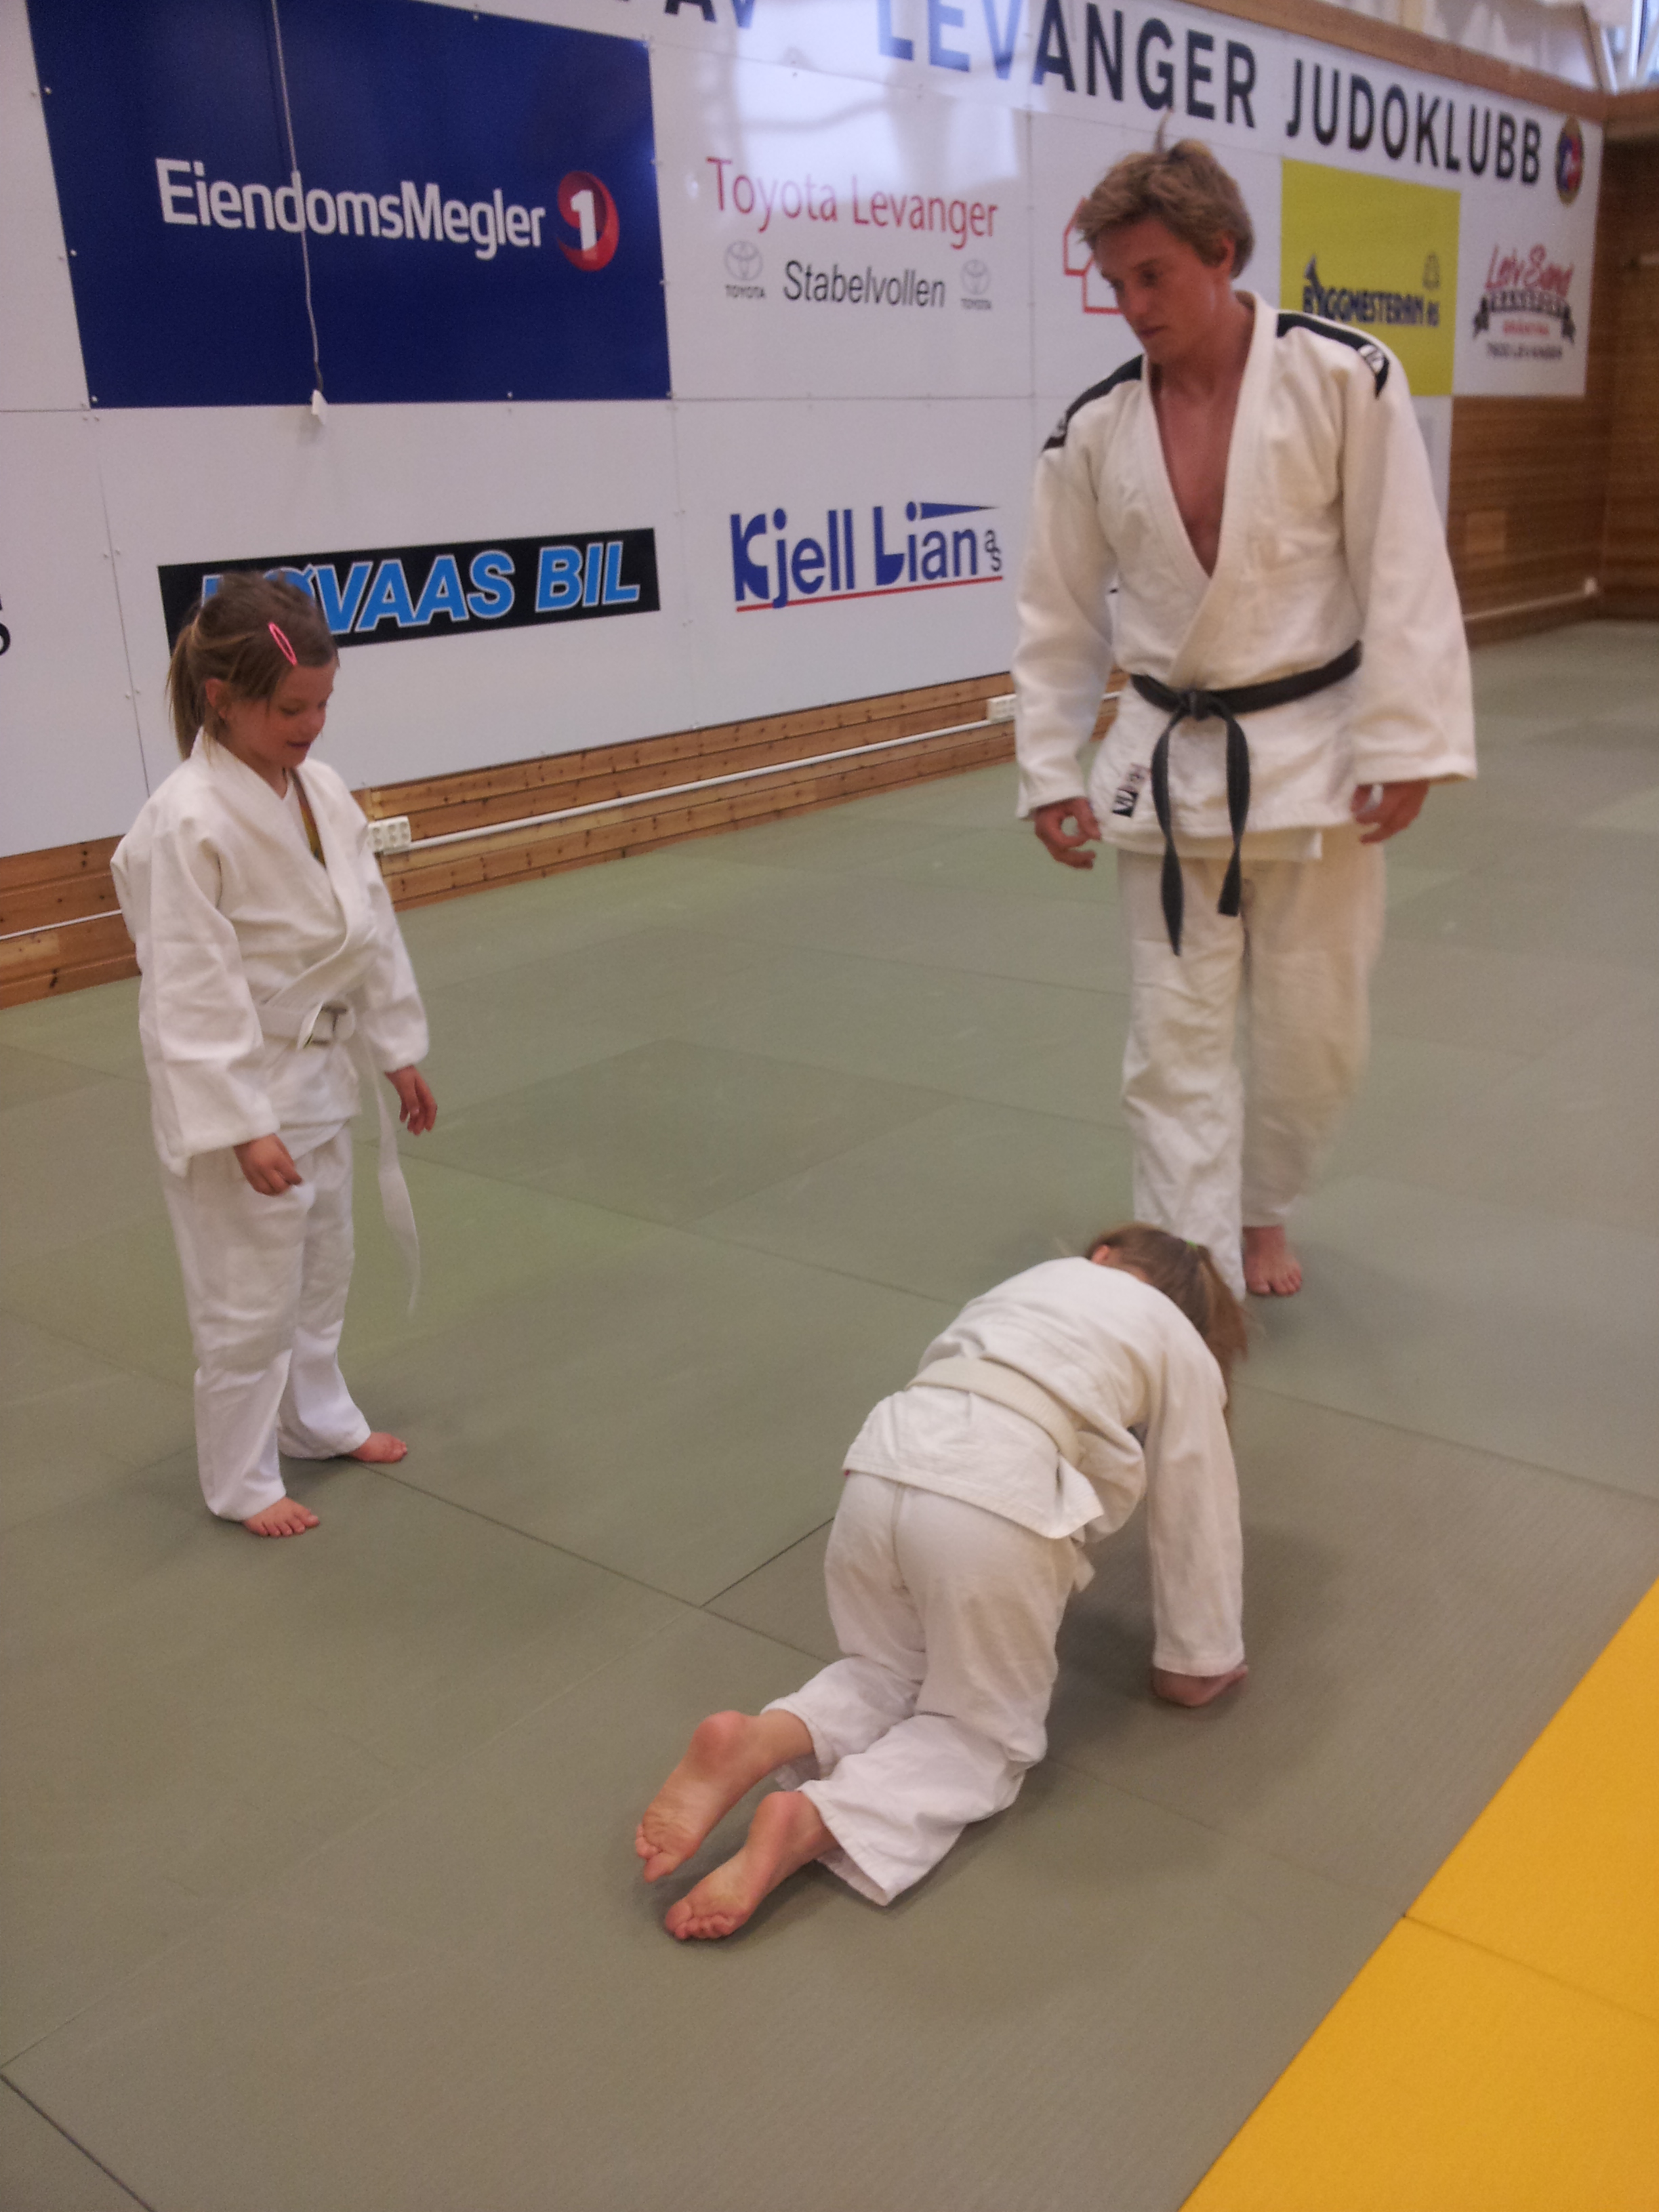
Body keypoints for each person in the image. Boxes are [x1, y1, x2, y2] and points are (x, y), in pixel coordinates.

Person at [1012, 141, 1475, 1300]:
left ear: (1221, 253)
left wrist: (1407, 741)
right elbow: (1057, 610)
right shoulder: (1093, 428)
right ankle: (1194, 1274)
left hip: (1317, 756)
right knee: (1171, 1044)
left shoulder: (1344, 377)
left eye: (1153, 275)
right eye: (1115, 283)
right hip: (1168, 767)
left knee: (1316, 1038)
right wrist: (1048, 765)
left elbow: (1402, 567)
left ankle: (1263, 1205)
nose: (1132, 306)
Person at [636, 1225, 1248, 1940]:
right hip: (997, 1496)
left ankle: (764, 1737)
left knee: (889, 1667)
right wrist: (1198, 1658)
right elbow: (1198, 1506)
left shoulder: (1027, 1286)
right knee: (981, 1735)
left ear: (1104, 1254)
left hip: (881, 1465)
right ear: (1192, 1315)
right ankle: (817, 1819)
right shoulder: (1177, 1340)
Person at [112, 573, 436, 1537]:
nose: (313, 725)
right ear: (222, 697)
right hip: (242, 1089)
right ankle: (242, 1478)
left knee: (324, 1265)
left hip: (322, 1074)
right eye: (293, 708)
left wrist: (395, 1046)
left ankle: (316, 1419)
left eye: (324, 703)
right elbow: (187, 989)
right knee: (247, 1296)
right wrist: (242, 1125)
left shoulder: (321, 792)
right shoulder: (185, 820)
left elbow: (369, 926)